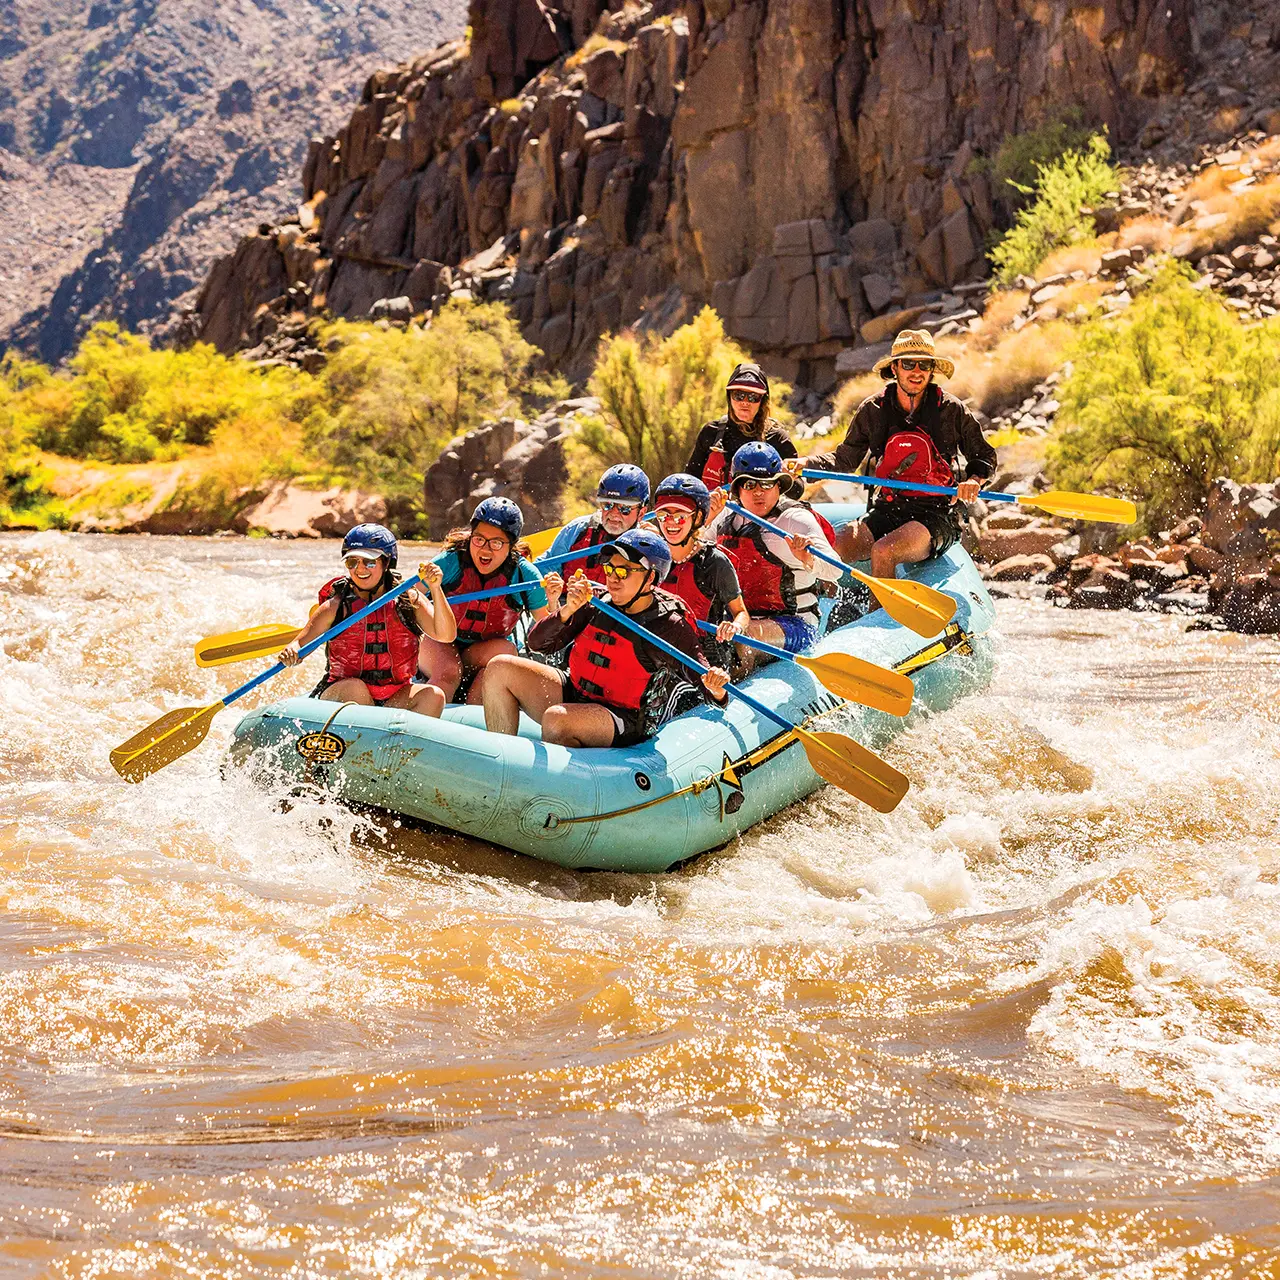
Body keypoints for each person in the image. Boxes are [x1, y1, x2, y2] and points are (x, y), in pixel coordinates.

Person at [483, 529, 730, 747]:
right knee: (499, 667)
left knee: (557, 718)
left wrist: (716, 688)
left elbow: (706, 686)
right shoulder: (597, 602)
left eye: (624, 571)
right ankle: (502, 760)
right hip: (576, 693)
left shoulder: (668, 624)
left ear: (650, 578)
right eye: (610, 568)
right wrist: (568, 609)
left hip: (625, 719)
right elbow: (537, 645)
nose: (613, 577)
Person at [796, 329, 996, 580]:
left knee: (884, 551)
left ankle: (878, 608)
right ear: (894, 368)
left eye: (924, 365)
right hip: (888, 508)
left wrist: (974, 481)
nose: (917, 371)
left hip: (936, 513)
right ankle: (824, 603)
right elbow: (845, 459)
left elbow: (984, 455)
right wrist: (805, 464)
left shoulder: (951, 409)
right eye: (909, 364)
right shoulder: (873, 409)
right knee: (834, 548)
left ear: (932, 371)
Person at [280, 523, 455, 716]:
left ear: (386, 563)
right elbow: (300, 645)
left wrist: (435, 588)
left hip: (394, 695)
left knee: (434, 695)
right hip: (343, 693)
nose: (360, 568)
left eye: (369, 562)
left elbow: (446, 635)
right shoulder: (336, 606)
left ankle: (396, 734)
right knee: (356, 689)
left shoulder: (408, 601)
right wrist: (292, 651)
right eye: (352, 562)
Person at [711, 443, 844, 665]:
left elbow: (836, 570)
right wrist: (703, 521)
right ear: (737, 488)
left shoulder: (794, 520)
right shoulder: (724, 517)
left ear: (778, 486)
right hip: (738, 619)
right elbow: (687, 557)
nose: (758, 492)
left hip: (797, 626)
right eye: (749, 484)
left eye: (766, 484)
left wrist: (807, 558)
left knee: (742, 637)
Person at [418, 497, 550, 705]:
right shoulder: (451, 560)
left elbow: (546, 628)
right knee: (449, 672)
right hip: (440, 643)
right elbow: (409, 596)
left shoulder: (525, 575)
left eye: (496, 543)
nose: (486, 550)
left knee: (505, 652)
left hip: (481, 653)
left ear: (511, 545)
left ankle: (475, 712)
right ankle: (428, 710)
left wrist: (556, 602)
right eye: (479, 539)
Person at [650, 473, 749, 670]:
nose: (670, 522)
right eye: (663, 515)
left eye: (680, 516)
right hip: (657, 653)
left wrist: (735, 626)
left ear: (697, 518)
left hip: (704, 660)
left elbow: (741, 612)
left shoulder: (715, 563)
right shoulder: (649, 556)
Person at [684, 363, 797, 514]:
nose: (745, 402)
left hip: (761, 520)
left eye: (753, 397)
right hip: (715, 517)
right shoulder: (711, 433)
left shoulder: (777, 438)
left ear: (762, 401)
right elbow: (690, 482)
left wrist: (788, 478)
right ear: (729, 397)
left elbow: (797, 491)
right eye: (738, 395)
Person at [538, 463, 650, 583]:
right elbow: (541, 570)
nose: (614, 514)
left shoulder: (648, 546)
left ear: (641, 513)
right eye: (607, 505)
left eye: (625, 508)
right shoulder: (577, 530)